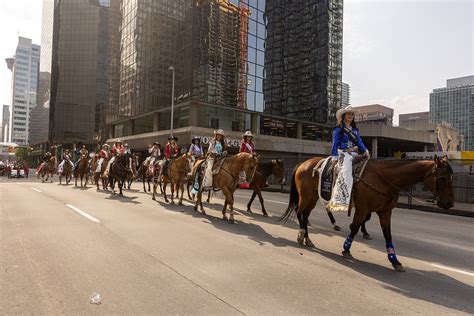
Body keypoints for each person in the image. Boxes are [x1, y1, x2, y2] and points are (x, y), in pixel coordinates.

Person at [327, 106, 370, 213]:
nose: (350, 116)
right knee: (345, 171)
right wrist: (334, 157)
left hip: (355, 153)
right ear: (344, 116)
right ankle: (340, 198)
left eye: (352, 114)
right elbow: (335, 143)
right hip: (343, 153)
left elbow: (359, 142)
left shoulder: (355, 130)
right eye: (348, 114)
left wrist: (365, 149)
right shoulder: (338, 129)